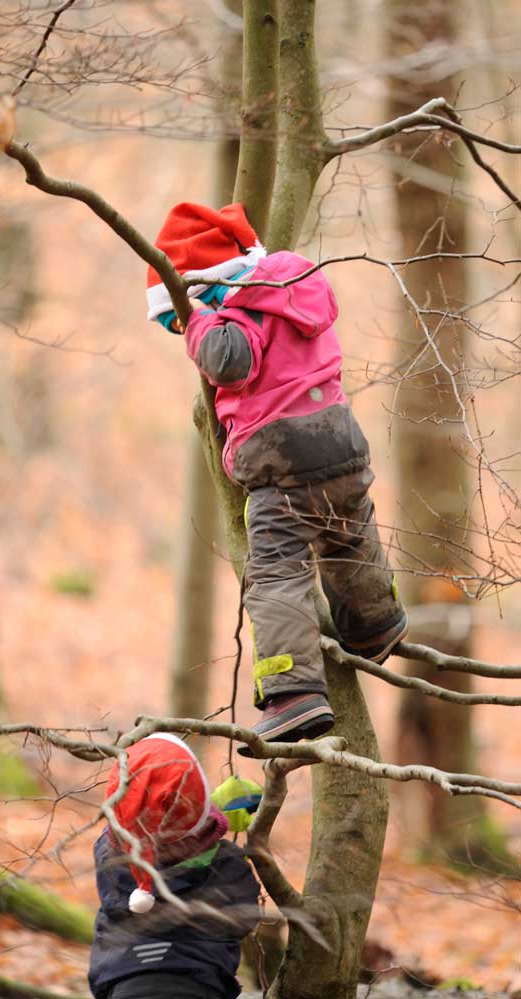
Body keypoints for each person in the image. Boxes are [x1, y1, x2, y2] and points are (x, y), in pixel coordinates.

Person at [146, 202, 408, 753]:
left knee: (276, 572)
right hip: (340, 438)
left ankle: (293, 692)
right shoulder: (293, 291)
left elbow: (229, 362)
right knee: (347, 532)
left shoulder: (237, 310)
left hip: (281, 455)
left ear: (203, 286)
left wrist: (198, 325)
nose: (177, 330)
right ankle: (374, 622)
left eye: (175, 316)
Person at [88, 733, 261, 999]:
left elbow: (154, 828)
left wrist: (207, 811)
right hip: (195, 984)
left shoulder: (110, 856)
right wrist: (212, 817)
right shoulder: (226, 865)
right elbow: (245, 916)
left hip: (121, 981)